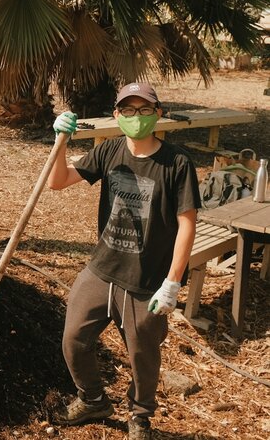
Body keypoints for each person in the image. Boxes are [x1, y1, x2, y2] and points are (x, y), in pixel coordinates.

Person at [46, 82, 200, 440]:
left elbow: (187, 224)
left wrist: (173, 282)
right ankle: (94, 399)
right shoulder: (110, 151)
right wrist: (61, 143)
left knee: (141, 357)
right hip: (102, 269)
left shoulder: (176, 162)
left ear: (157, 114)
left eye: (144, 110)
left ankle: (140, 417)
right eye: (127, 111)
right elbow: (58, 182)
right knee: (73, 340)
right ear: (117, 116)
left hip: (146, 280)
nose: (136, 117)